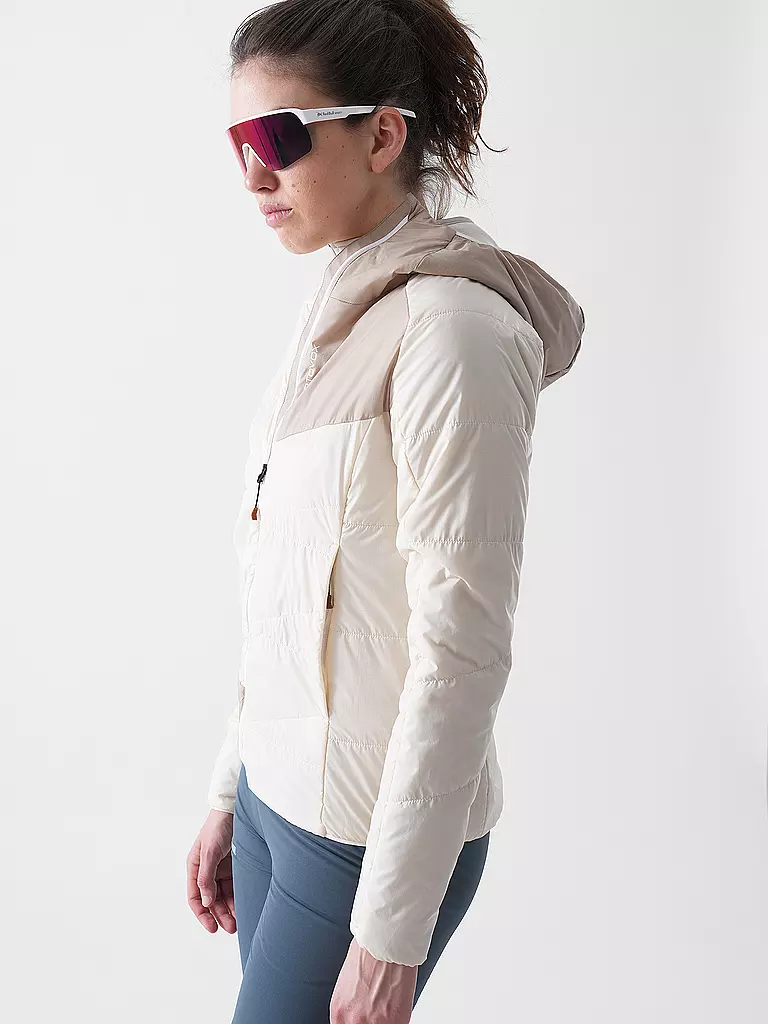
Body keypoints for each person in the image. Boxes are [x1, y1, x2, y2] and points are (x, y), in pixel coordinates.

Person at [185, 1, 585, 1021]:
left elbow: (463, 646)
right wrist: (233, 787)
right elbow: (281, 584)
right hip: (277, 807)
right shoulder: (336, 308)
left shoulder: (454, 331)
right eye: (237, 142)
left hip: (365, 838)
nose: (252, 175)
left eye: (277, 136)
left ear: (382, 135)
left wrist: (392, 930)